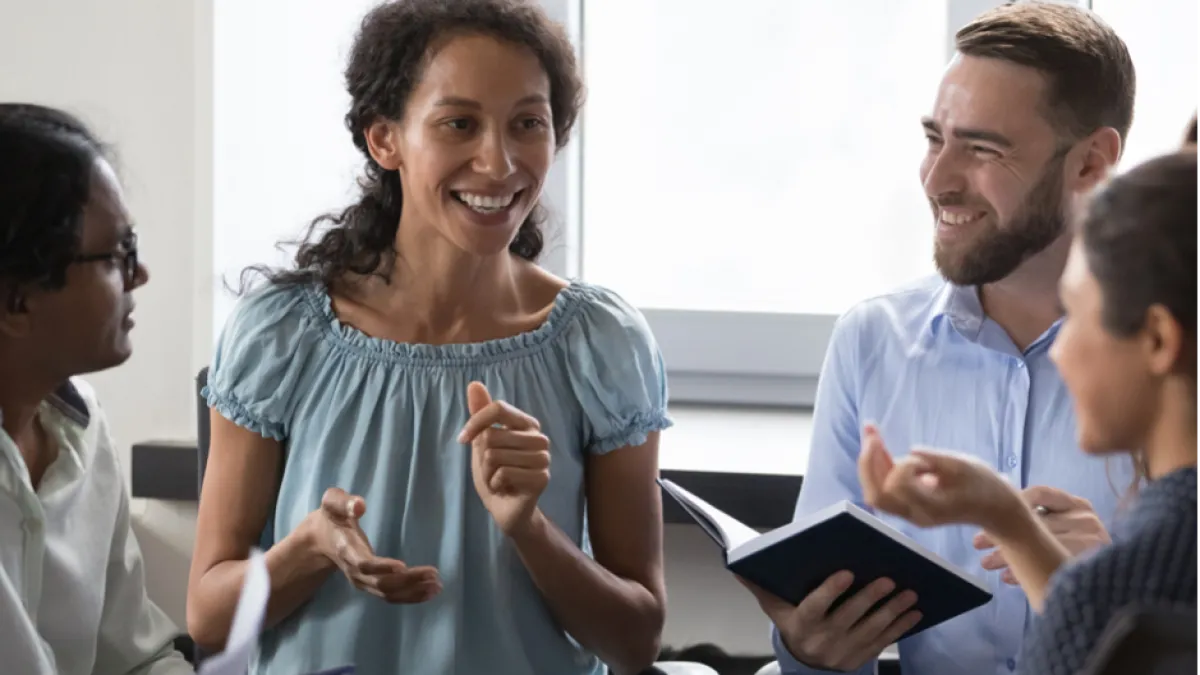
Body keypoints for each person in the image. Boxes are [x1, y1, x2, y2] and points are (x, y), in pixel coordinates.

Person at [185, 1, 670, 674]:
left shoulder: (601, 343)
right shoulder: (281, 332)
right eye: (459, 124)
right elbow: (208, 615)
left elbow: (635, 640)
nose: (499, 163)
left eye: (528, 123)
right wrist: (310, 548)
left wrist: (528, 527)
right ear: (385, 139)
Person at [742, 2, 1139, 674]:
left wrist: (1131, 591)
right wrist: (812, 651)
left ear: (1090, 163)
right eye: (935, 138)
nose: (937, 178)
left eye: (983, 148)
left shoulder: (1168, 362)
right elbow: (818, 627)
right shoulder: (873, 341)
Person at [858, 150, 1200, 674]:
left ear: (1157, 340)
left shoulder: (1123, 592)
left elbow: (1089, 621)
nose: (1058, 351)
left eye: (1077, 314)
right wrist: (1007, 517)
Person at [0, 104, 192, 674]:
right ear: (17, 299)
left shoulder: (81, 423)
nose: (139, 275)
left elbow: (134, 657)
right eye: (118, 253)